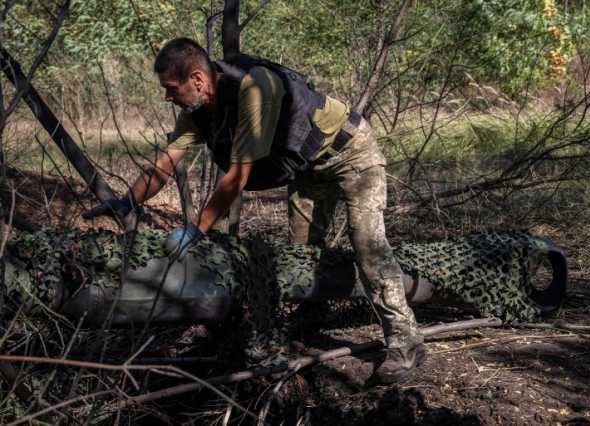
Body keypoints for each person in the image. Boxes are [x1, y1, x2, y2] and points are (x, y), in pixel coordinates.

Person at [85, 37, 424, 384]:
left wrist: (196, 229)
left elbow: (236, 179)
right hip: (309, 169)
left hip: (351, 152)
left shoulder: (254, 88)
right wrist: (128, 200)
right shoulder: (196, 111)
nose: (166, 97)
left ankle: (404, 342)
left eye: (171, 88)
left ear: (198, 80)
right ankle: (314, 316)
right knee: (303, 254)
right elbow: (165, 164)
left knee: (368, 245)